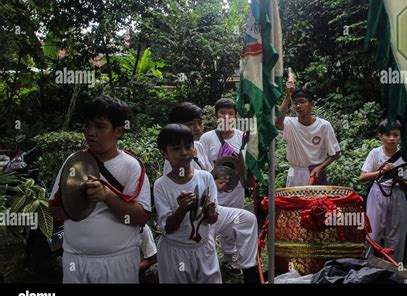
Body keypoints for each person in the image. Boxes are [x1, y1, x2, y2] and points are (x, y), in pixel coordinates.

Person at [49, 95, 151, 283]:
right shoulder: (74, 162)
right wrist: (74, 199)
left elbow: (141, 217)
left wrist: (107, 195)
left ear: (118, 131)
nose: (91, 133)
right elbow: (55, 210)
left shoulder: (131, 166)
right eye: (87, 126)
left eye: (100, 127)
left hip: (118, 261)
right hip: (76, 261)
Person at [164, 103, 259, 283]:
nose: (198, 128)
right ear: (177, 126)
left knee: (246, 220)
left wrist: (221, 181)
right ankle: (222, 260)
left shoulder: (197, 146)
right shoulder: (174, 156)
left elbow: (209, 174)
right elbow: (181, 191)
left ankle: (250, 271)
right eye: (191, 124)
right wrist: (214, 187)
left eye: (200, 123)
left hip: (209, 208)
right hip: (190, 217)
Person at [154, 124, 221, 283]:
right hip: (175, 251)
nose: (183, 153)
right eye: (176, 149)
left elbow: (212, 219)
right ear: (165, 153)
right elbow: (168, 228)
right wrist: (182, 209)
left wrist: (211, 212)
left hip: (204, 247)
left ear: (194, 148)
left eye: (188, 146)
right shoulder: (161, 185)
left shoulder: (206, 177)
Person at [359, 118, 407, 263]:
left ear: (400, 136)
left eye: (395, 135)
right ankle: (367, 265)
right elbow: (363, 177)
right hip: (378, 193)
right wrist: (381, 173)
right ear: (380, 136)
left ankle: (394, 268)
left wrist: (397, 178)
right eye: (387, 135)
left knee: (396, 233)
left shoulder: (406, 156)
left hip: (397, 194)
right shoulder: (375, 153)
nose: (391, 138)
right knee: (373, 231)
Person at [275, 77, 340, 187]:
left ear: (312, 104)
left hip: (315, 173)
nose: (299, 106)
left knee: (316, 204)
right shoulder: (290, 124)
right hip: (294, 173)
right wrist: (287, 96)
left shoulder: (324, 126)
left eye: (302, 102)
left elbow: (335, 153)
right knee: (293, 204)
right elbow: (277, 123)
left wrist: (320, 167)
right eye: (295, 103)